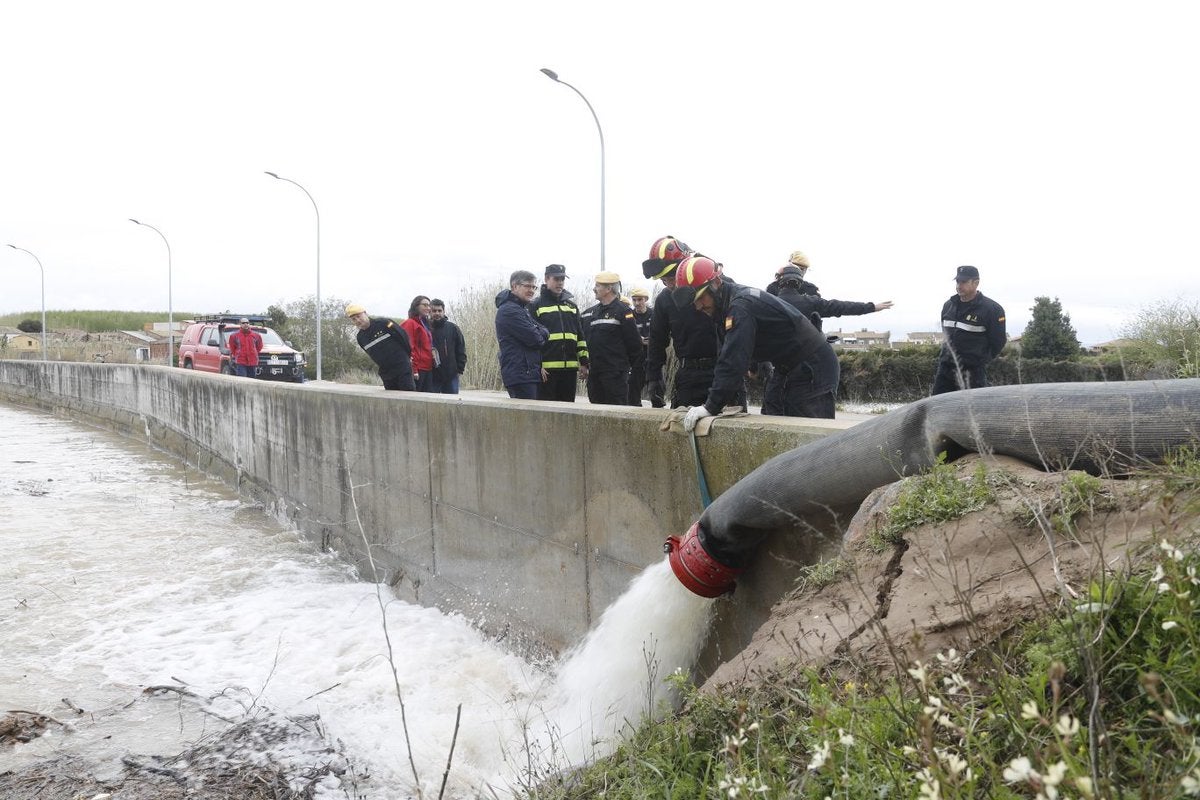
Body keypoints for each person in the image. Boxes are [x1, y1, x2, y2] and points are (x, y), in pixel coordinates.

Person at [672, 255, 839, 430]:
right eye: (694, 302)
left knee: (811, 435)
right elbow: (729, 352)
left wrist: (710, 407)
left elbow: (734, 359)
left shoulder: (740, 307)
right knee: (786, 427)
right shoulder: (726, 305)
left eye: (701, 297)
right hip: (790, 367)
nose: (698, 306)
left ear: (715, 284)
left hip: (814, 367)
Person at [642, 235, 724, 409]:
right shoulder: (665, 300)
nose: (670, 285)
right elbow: (656, 340)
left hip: (722, 371)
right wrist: (653, 377)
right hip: (688, 376)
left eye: (671, 278)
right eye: (664, 281)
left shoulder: (717, 285)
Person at [932, 265, 1007, 395]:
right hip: (945, 370)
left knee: (972, 411)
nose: (959, 285)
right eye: (957, 281)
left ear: (976, 283)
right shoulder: (948, 306)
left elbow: (998, 341)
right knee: (937, 409)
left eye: (964, 282)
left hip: (972, 373)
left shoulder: (992, 309)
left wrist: (979, 360)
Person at [772, 264, 894, 333]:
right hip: (806, 360)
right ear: (799, 282)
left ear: (778, 281)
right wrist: (872, 307)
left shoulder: (767, 303)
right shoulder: (811, 302)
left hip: (776, 363)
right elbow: (841, 307)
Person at [529, 264, 589, 402]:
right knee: (547, 414)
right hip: (547, 372)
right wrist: (537, 365)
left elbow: (580, 336)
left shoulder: (572, 307)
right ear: (546, 279)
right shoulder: (535, 305)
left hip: (569, 371)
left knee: (567, 413)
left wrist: (584, 362)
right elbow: (532, 339)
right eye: (556, 279)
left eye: (562, 279)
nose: (560, 282)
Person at [579, 271, 641, 406]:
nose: (594, 289)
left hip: (615, 375)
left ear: (609, 289)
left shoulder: (623, 311)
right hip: (594, 374)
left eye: (598, 286)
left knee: (616, 411)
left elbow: (634, 344)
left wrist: (632, 372)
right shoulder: (590, 313)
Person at [494, 270, 550, 400]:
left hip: (527, 373)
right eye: (527, 286)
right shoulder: (510, 310)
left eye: (533, 287)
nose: (531, 290)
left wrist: (539, 331)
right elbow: (536, 339)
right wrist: (540, 331)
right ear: (514, 286)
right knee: (528, 418)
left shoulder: (521, 309)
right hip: (521, 374)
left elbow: (544, 331)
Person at [346, 303, 415, 390]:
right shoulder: (360, 338)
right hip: (386, 373)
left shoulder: (384, 323)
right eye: (354, 319)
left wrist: (406, 357)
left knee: (407, 396)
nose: (358, 320)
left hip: (402, 368)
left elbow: (403, 337)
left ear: (365, 313)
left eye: (359, 316)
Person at [429, 299, 467, 394]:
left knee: (452, 405)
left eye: (439, 311)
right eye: (434, 311)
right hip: (432, 376)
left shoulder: (453, 328)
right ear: (430, 312)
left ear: (444, 311)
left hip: (451, 375)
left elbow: (461, 350)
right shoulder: (426, 329)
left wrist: (460, 370)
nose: (437, 313)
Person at [401, 296, 436, 392]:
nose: (428, 308)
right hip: (418, 370)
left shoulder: (425, 324)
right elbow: (408, 348)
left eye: (429, 306)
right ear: (416, 306)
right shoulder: (410, 323)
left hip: (427, 368)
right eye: (425, 305)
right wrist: (414, 370)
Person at [627, 287, 653, 406]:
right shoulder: (629, 316)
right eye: (634, 300)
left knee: (656, 388)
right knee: (633, 388)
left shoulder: (654, 313)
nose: (637, 303)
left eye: (640, 300)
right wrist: (639, 340)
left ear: (646, 299)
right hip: (636, 358)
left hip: (653, 356)